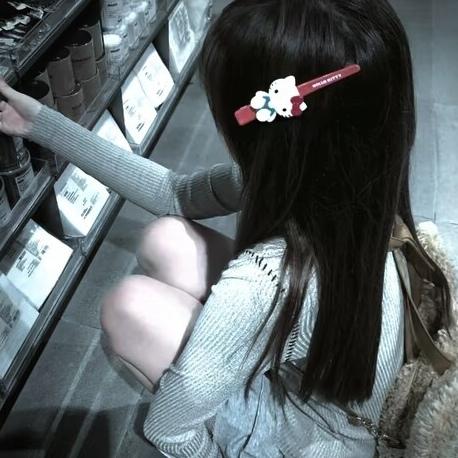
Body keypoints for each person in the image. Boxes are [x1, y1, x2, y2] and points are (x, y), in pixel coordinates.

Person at [0, 0, 452, 456]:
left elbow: (170, 431)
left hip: (311, 441)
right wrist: (39, 123)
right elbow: (175, 193)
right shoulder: (352, 181)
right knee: (164, 239)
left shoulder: (264, 281)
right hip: (334, 383)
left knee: (128, 306)